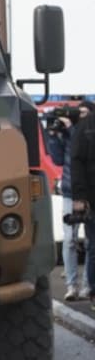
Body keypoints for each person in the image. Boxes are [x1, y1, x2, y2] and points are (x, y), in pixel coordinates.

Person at [47, 100, 94, 300]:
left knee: (92, 243)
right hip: (69, 191)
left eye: (82, 113)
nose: (79, 116)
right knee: (69, 240)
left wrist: (73, 129)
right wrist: (53, 136)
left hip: (87, 193)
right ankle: (71, 285)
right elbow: (57, 159)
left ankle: (87, 286)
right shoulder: (67, 133)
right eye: (77, 113)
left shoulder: (85, 131)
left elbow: (83, 150)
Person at [70, 100, 95, 309]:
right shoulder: (86, 127)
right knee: (94, 246)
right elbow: (76, 161)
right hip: (92, 196)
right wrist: (79, 197)